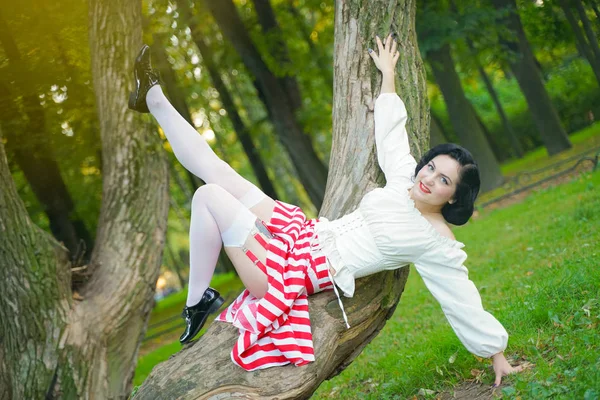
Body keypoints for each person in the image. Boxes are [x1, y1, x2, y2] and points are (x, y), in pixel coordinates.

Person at [128, 34, 523, 385]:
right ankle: (154, 97)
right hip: (301, 233)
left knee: (207, 196)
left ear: (454, 196)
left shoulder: (435, 239)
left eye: (444, 181)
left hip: (289, 274)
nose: (430, 178)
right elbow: (392, 134)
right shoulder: (404, 179)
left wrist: (496, 355)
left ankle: (196, 301)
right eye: (433, 166)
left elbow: (459, 296)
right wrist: (388, 74)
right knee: (218, 173)